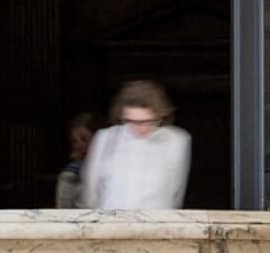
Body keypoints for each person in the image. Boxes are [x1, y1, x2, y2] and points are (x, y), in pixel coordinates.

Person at [81, 81, 191, 209]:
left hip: (156, 225)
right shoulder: (105, 138)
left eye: (147, 121)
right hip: (111, 223)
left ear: (160, 115)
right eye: (131, 121)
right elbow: (91, 190)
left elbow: (176, 193)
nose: (139, 128)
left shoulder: (176, 141)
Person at [55, 112, 102, 208]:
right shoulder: (71, 173)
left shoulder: (112, 169)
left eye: (84, 139)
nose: (79, 145)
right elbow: (63, 209)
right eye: (74, 141)